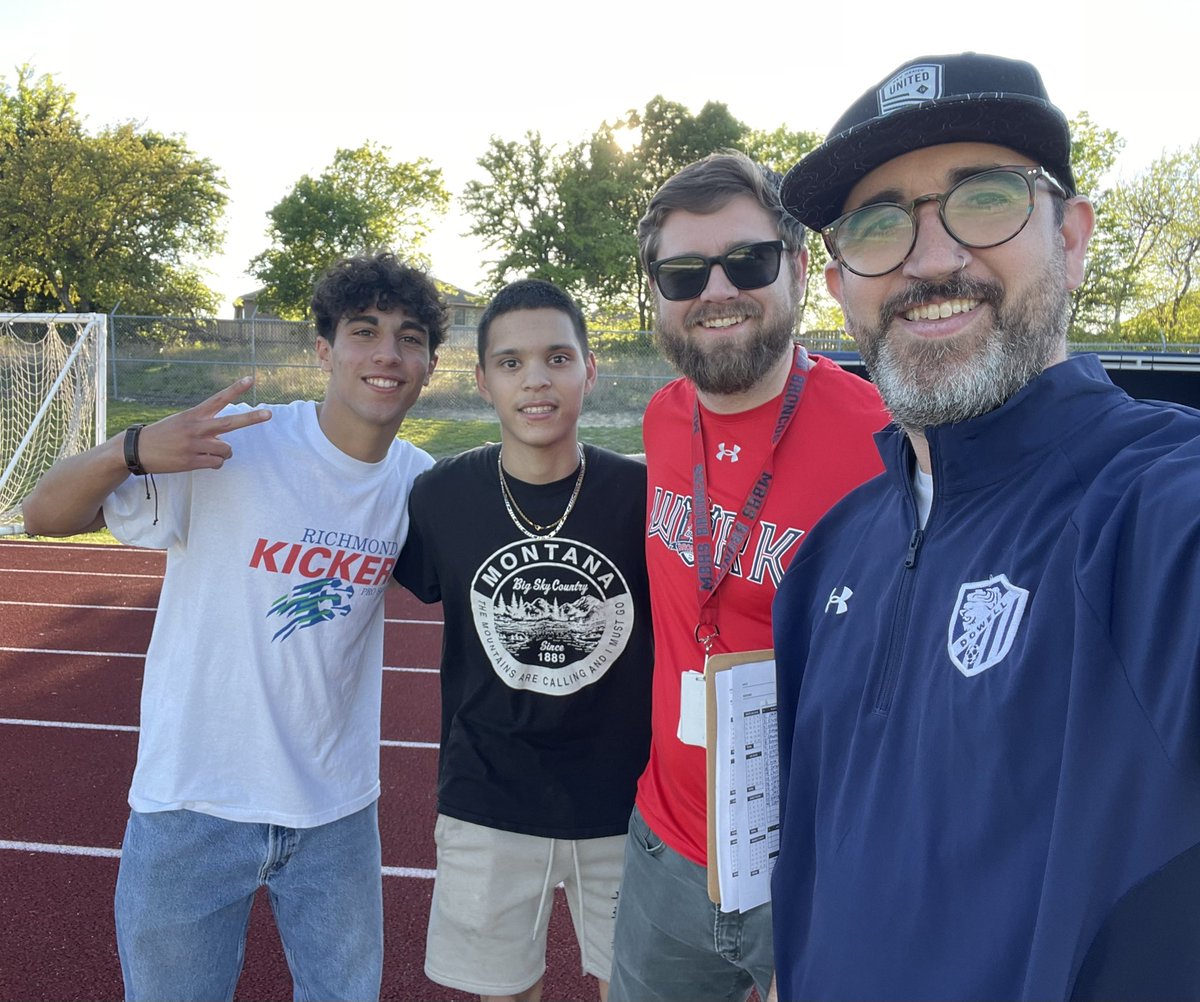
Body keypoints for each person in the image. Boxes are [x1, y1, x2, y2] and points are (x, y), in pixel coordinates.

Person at [770, 51, 1200, 1000]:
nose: (930, 258)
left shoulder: (1151, 508)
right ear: (841, 283)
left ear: (1074, 236)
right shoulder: (827, 561)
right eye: (879, 224)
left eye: (986, 198)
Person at [21, 252, 445, 1002]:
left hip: (336, 815)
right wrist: (133, 447)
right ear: (324, 350)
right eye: (364, 331)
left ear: (430, 364)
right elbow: (42, 516)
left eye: (409, 337)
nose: (386, 353)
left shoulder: (418, 484)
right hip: (192, 806)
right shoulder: (235, 444)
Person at [607, 151, 889, 1002]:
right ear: (655, 291)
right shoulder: (662, 419)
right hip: (665, 849)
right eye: (684, 272)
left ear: (800, 269)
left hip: (815, 869)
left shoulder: (883, 442)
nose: (717, 290)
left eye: (750, 261)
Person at [392, 278, 654, 1002]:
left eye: (556, 358)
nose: (535, 379)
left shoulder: (642, 498)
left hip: (628, 803)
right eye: (510, 363)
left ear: (588, 370)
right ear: (481, 381)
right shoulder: (440, 496)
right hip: (491, 798)